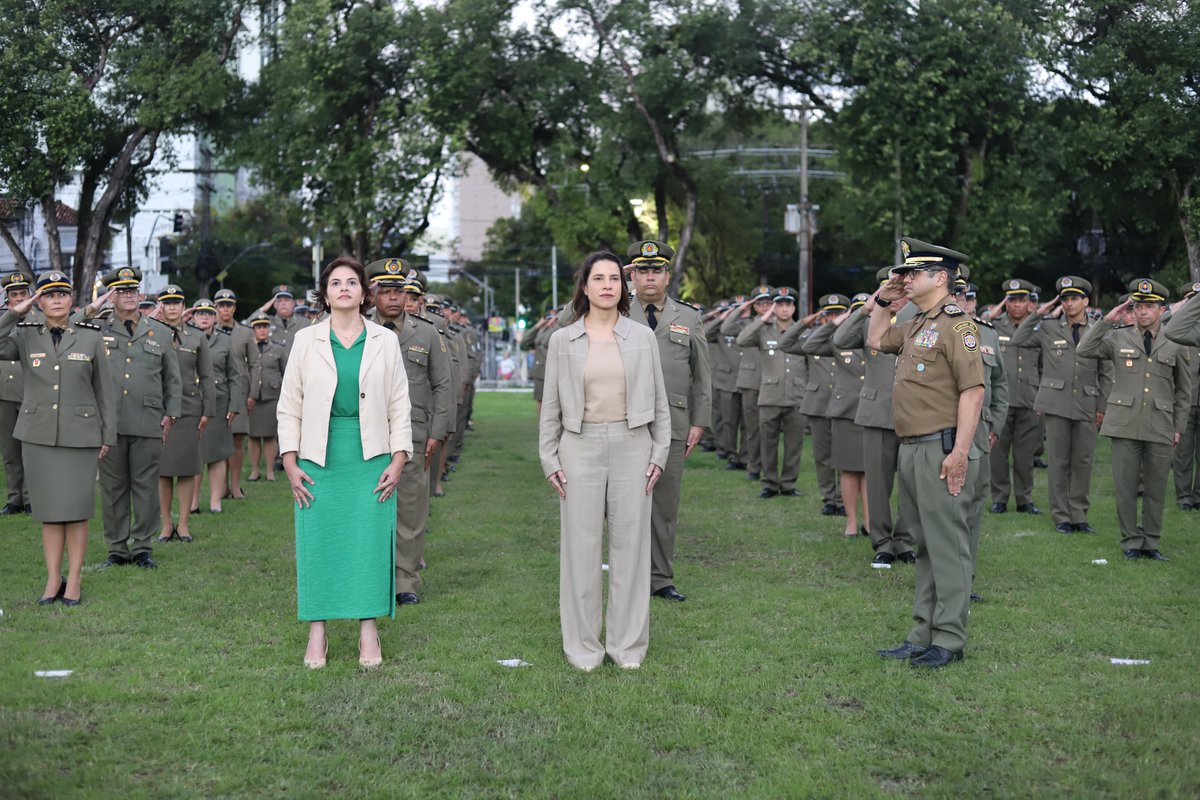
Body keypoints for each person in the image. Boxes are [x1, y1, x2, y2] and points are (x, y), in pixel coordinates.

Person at [278, 256, 413, 669]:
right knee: (319, 543)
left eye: (351, 282)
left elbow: (399, 403)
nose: (343, 289)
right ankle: (316, 630)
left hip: (370, 456)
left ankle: (368, 629)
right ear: (325, 293)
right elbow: (289, 405)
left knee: (367, 544)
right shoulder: (306, 340)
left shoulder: (384, 341)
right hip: (318, 457)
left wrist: (399, 458)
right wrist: (289, 461)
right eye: (335, 283)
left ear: (364, 293)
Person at [539, 251, 670, 670]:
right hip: (579, 448)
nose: (607, 285)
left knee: (631, 550)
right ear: (585, 286)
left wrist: (659, 452)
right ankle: (584, 648)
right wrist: (549, 457)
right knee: (580, 551)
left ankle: (626, 646)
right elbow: (551, 407)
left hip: (634, 446)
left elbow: (661, 403)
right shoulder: (563, 340)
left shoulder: (642, 337)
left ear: (623, 286)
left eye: (614, 278)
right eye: (599, 278)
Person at [868, 238, 984, 669]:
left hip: (941, 447)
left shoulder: (957, 326)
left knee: (948, 546)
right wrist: (884, 300)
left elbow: (973, 392)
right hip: (913, 447)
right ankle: (922, 634)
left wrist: (959, 453)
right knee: (926, 547)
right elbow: (876, 338)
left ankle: (949, 639)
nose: (906, 279)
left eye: (913, 273)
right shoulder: (917, 322)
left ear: (940, 278)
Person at [0, 271, 116, 605]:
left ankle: (75, 579)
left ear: (71, 299)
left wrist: (107, 434)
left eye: (62, 294)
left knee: (77, 511)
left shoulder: (90, 336)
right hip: (38, 436)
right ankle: (53, 579)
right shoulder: (25, 334)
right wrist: (14, 312)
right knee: (49, 512)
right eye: (48, 295)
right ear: (39, 300)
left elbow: (104, 391)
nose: (56, 300)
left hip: (81, 436)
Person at [1076, 279, 1193, 561]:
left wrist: (1178, 427)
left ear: (1162, 309)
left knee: (1156, 489)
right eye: (1138, 306)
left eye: (1149, 306)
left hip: (1160, 424)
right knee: (1125, 488)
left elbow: (1184, 391)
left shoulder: (1176, 341)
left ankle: (1151, 542)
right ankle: (1130, 540)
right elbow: (1084, 349)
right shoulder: (1119, 336)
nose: (1142, 311)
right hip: (1124, 424)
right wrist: (1107, 320)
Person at [74, 267, 182, 569]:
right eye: (121, 291)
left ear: (141, 294)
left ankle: (143, 547)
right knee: (112, 487)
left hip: (148, 420)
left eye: (132, 290)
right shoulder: (97, 328)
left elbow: (173, 379)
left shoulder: (161, 332)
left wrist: (171, 415)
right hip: (109, 423)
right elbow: (70, 326)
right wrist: (92, 307)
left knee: (146, 486)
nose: (128, 296)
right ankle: (117, 548)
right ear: (111, 297)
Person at [625, 240, 711, 602]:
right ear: (632, 275)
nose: (649, 277)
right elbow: (568, 320)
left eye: (656, 270)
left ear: (666, 275)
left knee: (664, 505)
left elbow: (702, 374)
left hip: (673, 422)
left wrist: (699, 421)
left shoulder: (688, 317)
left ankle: (660, 578)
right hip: (624, 420)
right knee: (623, 504)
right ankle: (627, 576)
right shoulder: (614, 308)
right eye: (642, 270)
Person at [365, 257, 452, 606]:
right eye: (386, 291)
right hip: (368, 431)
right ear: (373, 294)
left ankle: (405, 580)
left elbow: (443, 384)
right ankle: (372, 574)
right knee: (369, 505)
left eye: (398, 291)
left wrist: (437, 432)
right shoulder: (359, 328)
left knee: (410, 509)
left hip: (414, 432)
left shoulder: (426, 332)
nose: (393, 297)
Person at [1011, 276, 1112, 532]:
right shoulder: (1048, 327)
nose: (1069, 304)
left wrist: (1102, 407)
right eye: (1065, 299)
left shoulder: (1098, 330)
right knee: (1058, 462)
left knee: (1082, 462)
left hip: (1087, 403)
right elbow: (1018, 338)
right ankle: (1061, 516)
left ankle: (1079, 515)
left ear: (1086, 301)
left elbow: (1106, 373)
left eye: (1074, 298)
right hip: (1056, 404)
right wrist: (1037, 313)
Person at [833, 269, 916, 565]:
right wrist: (867, 308)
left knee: (911, 482)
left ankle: (904, 540)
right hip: (877, 413)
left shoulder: (918, 321)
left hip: (914, 413)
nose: (895, 296)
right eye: (888, 289)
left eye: (901, 289)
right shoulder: (870, 323)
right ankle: (882, 542)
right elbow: (840, 339)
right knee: (878, 484)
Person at [799, 294, 869, 537]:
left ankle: (870, 521)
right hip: (846, 411)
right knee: (848, 469)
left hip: (871, 410)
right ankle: (851, 521)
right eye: (857, 312)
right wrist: (834, 323)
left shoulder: (880, 335)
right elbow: (808, 346)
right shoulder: (839, 340)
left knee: (869, 470)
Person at [154, 286, 215, 542]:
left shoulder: (196, 336)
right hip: (159, 409)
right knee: (164, 470)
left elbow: (207, 375)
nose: (171, 307)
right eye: (167, 303)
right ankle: (166, 524)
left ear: (183, 306)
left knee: (188, 468)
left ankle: (184, 524)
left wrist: (208, 410)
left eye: (176, 302)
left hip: (189, 409)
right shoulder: (151, 333)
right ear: (161, 306)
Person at [741, 287, 806, 498]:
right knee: (767, 443)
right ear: (774, 307)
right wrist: (763, 318)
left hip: (796, 395)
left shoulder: (803, 331)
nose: (784, 309)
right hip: (770, 396)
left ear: (794, 307)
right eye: (780, 304)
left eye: (788, 304)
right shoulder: (763, 330)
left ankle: (788, 484)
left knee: (794, 444)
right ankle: (769, 483)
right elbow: (742, 339)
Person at [988, 279, 1043, 514]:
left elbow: (1045, 367)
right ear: (1006, 302)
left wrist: (1042, 397)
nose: (1017, 305)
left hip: (1029, 398)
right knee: (998, 454)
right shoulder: (994, 326)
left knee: (1025, 454)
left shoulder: (1039, 328)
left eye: (1022, 300)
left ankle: (1024, 498)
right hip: (1001, 400)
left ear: (1029, 302)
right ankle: (999, 498)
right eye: (1012, 300)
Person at [192, 298, 247, 514]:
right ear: (193, 317)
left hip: (219, 402)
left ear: (214, 317)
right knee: (194, 454)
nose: (204, 318)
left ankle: (216, 501)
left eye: (208, 314)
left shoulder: (224, 340)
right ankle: (193, 501)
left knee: (217, 453)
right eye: (200, 314)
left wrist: (235, 404)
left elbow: (234, 375)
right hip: (192, 401)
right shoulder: (184, 337)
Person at [799, 295, 847, 515]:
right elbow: (787, 343)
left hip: (845, 405)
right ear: (822, 316)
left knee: (844, 454)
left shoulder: (854, 338)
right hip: (819, 404)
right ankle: (829, 497)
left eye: (838, 314)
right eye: (829, 314)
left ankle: (843, 498)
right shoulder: (813, 338)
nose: (833, 318)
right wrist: (807, 322)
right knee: (822, 455)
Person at [721, 285, 774, 481]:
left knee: (769, 430)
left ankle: (770, 469)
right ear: (754, 306)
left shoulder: (780, 325)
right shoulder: (746, 324)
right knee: (752, 429)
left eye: (768, 302)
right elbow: (726, 328)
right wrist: (741, 309)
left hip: (774, 382)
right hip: (751, 382)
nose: (765, 306)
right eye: (760, 303)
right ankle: (753, 466)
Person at [214, 288, 255, 500]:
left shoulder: (246, 333)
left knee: (238, 439)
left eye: (229, 305)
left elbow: (254, 364)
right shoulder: (207, 331)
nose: (225, 309)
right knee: (220, 441)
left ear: (234, 308)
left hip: (240, 392)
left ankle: (236, 485)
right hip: (217, 392)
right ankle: (221, 487)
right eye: (221, 305)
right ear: (216, 308)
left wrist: (253, 393)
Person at [0, 272, 34, 514]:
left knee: (30, 450)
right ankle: (15, 499)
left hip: (31, 392)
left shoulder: (40, 318)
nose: (20, 298)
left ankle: (31, 497)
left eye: (23, 293)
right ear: (8, 298)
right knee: (10, 450)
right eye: (15, 294)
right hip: (4, 392)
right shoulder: (3, 320)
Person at [1166, 282, 1200, 509]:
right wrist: (1175, 309)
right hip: (1184, 399)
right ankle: (1184, 496)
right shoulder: (1180, 329)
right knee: (1183, 452)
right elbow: (1162, 325)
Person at [247, 313, 287, 482]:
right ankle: (255, 471)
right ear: (253, 330)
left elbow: (286, 372)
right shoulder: (247, 348)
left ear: (269, 329)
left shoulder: (278, 349)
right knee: (253, 436)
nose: (262, 330)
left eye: (265, 327)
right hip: (252, 397)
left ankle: (270, 471)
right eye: (258, 327)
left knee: (270, 436)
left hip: (272, 397)